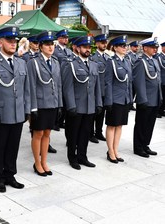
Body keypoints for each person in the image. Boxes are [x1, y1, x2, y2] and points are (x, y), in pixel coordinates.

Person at [0, 26, 30, 193]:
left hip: (17, 113)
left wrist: (27, 109)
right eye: (9, 40)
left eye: (15, 41)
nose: (13, 43)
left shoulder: (21, 62)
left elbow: (26, 89)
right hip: (1, 114)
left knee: (13, 147)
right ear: (0, 41)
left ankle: (10, 175)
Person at [61, 36, 102, 170]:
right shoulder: (70, 64)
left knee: (85, 133)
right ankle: (72, 158)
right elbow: (67, 87)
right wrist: (71, 105)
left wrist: (99, 103)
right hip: (76, 106)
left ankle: (82, 156)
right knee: (73, 133)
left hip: (90, 106)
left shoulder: (94, 64)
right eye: (85, 47)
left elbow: (97, 86)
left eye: (89, 47)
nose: (87, 50)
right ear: (78, 48)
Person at [27, 31, 62, 176]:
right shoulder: (33, 62)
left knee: (47, 133)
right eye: (47, 44)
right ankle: (37, 162)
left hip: (52, 103)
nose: (50, 47)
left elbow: (58, 85)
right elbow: (31, 86)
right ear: (40, 46)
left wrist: (59, 104)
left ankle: (44, 161)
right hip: (40, 104)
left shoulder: (55, 62)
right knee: (38, 133)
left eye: (52, 44)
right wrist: (32, 107)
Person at [104, 35, 133, 163]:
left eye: (125, 46)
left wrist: (130, 98)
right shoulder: (111, 62)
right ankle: (110, 151)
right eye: (122, 46)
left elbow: (129, 82)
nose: (125, 48)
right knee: (112, 125)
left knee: (120, 125)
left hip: (124, 99)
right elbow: (108, 82)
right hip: (115, 99)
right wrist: (108, 101)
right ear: (115, 48)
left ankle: (116, 149)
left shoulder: (126, 61)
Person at [133, 37, 162, 158]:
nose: (155, 49)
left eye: (156, 47)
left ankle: (145, 145)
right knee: (141, 124)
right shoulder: (141, 62)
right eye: (152, 47)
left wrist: (159, 97)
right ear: (145, 48)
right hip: (145, 99)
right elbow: (139, 83)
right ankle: (138, 147)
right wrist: (142, 99)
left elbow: (157, 81)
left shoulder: (154, 61)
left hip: (154, 99)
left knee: (150, 124)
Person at [89, 34, 109, 143]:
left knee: (102, 113)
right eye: (102, 42)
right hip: (96, 90)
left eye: (105, 42)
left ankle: (99, 132)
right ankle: (90, 133)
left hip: (104, 90)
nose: (104, 44)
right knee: (93, 113)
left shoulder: (107, 57)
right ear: (96, 44)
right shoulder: (93, 57)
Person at [155, 42, 165, 117]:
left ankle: (162, 110)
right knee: (161, 96)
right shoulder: (159, 57)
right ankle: (158, 111)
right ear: (162, 48)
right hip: (162, 79)